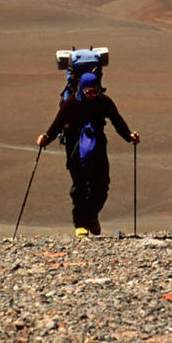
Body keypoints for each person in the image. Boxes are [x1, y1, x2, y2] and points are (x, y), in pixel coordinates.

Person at [37, 71, 140, 237]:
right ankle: (81, 224)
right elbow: (57, 124)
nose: (92, 95)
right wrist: (46, 138)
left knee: (102, 185)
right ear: (81, 90)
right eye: (88, 92)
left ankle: (92, 215)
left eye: (95, 91)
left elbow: (117, 120)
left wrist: (129, 136)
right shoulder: (70, 104)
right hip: (75, 148)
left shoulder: (104, 102)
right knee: (80, 187)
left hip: (98, 146)